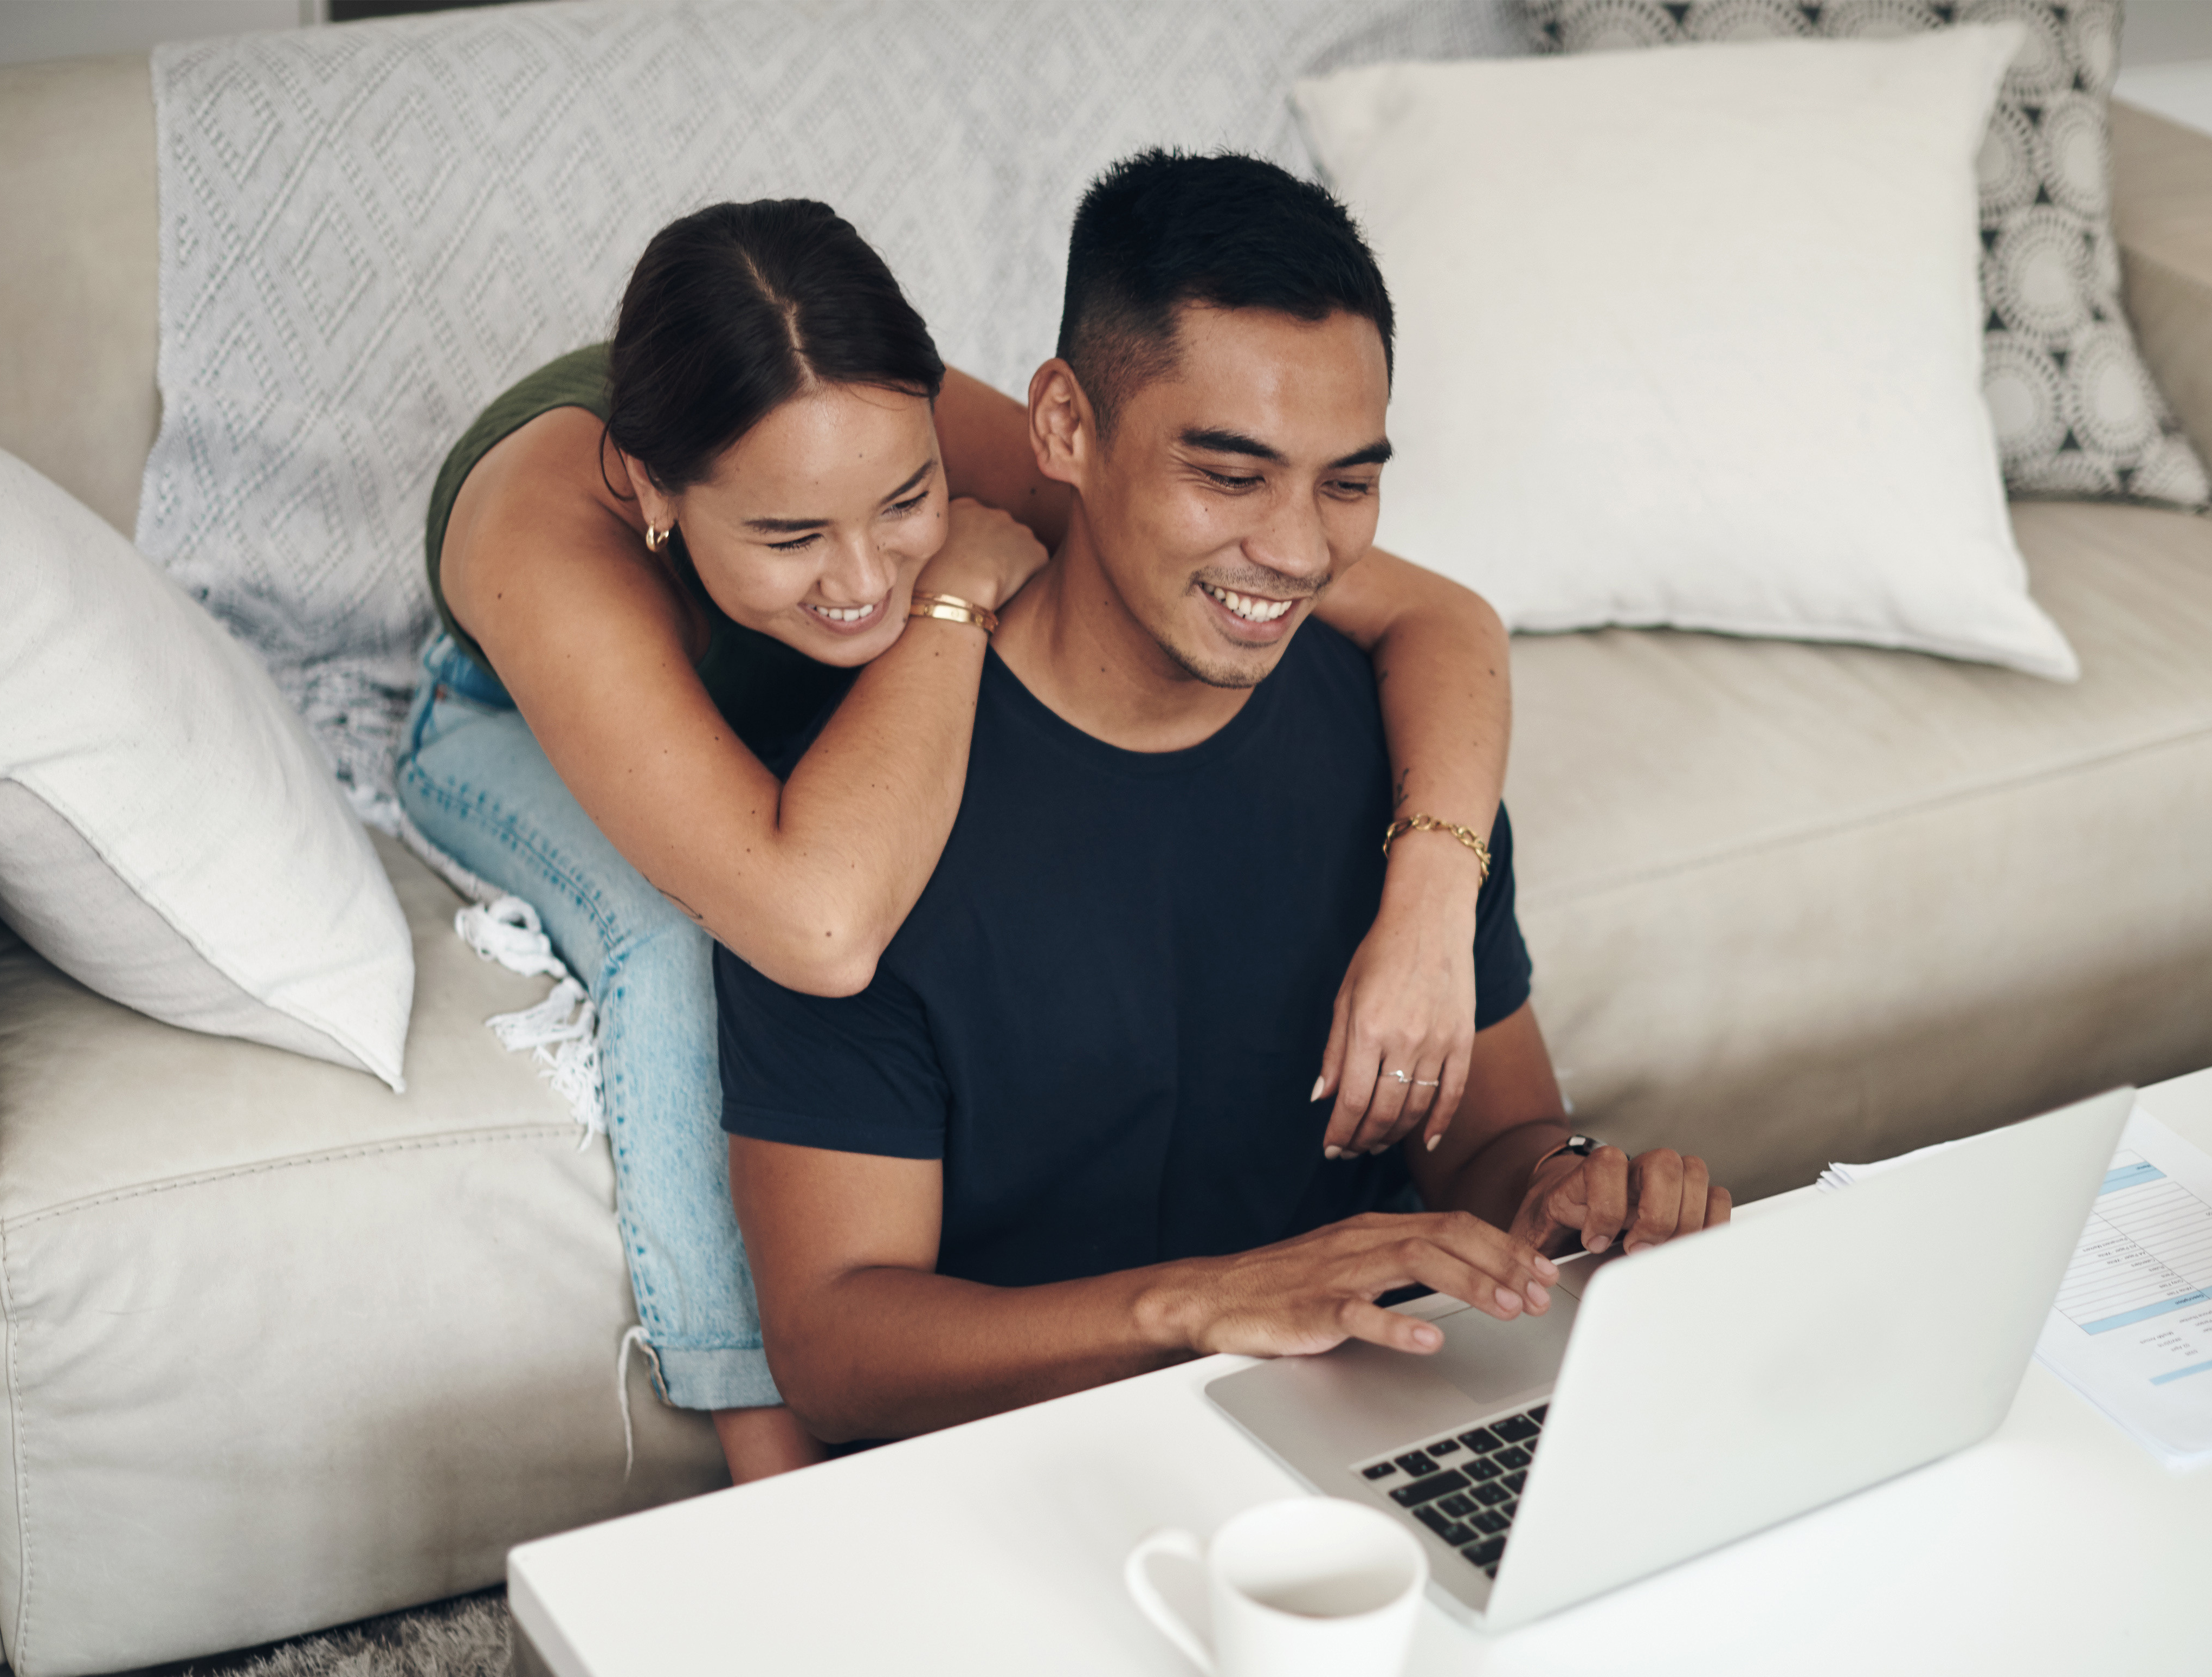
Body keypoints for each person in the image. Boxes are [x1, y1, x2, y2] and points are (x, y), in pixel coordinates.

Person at [395, 197, 1517, 1484]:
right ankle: (772, 1478)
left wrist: (1429, 904)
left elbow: (1443, 621)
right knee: (682, 942)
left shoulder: (898, 412)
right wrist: (951, 591)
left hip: (787, 657)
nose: (859, 573)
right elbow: (814, 927)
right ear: (654, 491)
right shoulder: (554, 543)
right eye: (791, 535)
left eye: (906, 500)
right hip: (503, 723)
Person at [718, 151, 1729, 1448]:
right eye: (1231, 475)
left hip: (1366, 1424)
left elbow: (1491, 1142)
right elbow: (837, 1349)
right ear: (1066, 429)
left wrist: (1565, 1198)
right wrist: (1200, 1304)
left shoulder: (1408, 762)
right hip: (1021, 1467)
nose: (1302, 551)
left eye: (1348, 482)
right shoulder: (859, 829)